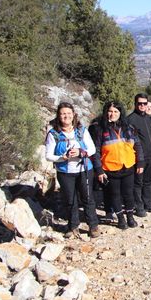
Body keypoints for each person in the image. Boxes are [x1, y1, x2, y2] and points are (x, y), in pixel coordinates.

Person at [45, 102, 100, 238]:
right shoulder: (54, 134)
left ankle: (93, 225)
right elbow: (48, 155)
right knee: (70, 199)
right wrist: (63, 157)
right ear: (58, 116)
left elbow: (92, 149)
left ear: (74, 115)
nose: (66, 116)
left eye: (69, 113)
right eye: (63, 113)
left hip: (84, 169)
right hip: (65, 171)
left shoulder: (81, 131)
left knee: (87, 198)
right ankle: (73, 226)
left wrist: (82, 152)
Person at [93, 101, 144, 230]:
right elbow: (96, 151)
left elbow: (137, 145)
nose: (113, 114)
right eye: (110, 111)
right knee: (115, 195)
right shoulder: (100, 129)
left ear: (120, 113)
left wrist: (140, 162)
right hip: (110, 168)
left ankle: (130, 217)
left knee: (128, 194)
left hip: (128, 166)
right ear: (106, 112)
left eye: (116, 111)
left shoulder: (129, 128)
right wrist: (98, 170)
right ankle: (121, 218)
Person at [127, 93, 151, 215]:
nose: (142, 105)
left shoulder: (148, 118)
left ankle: (148, 203)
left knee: (148, 181)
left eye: (144, 103)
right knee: (138, 182)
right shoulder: (131, 119)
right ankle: (139, 206)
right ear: (135, 104)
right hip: (139, 157)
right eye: (140, 103)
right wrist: (138, 157)